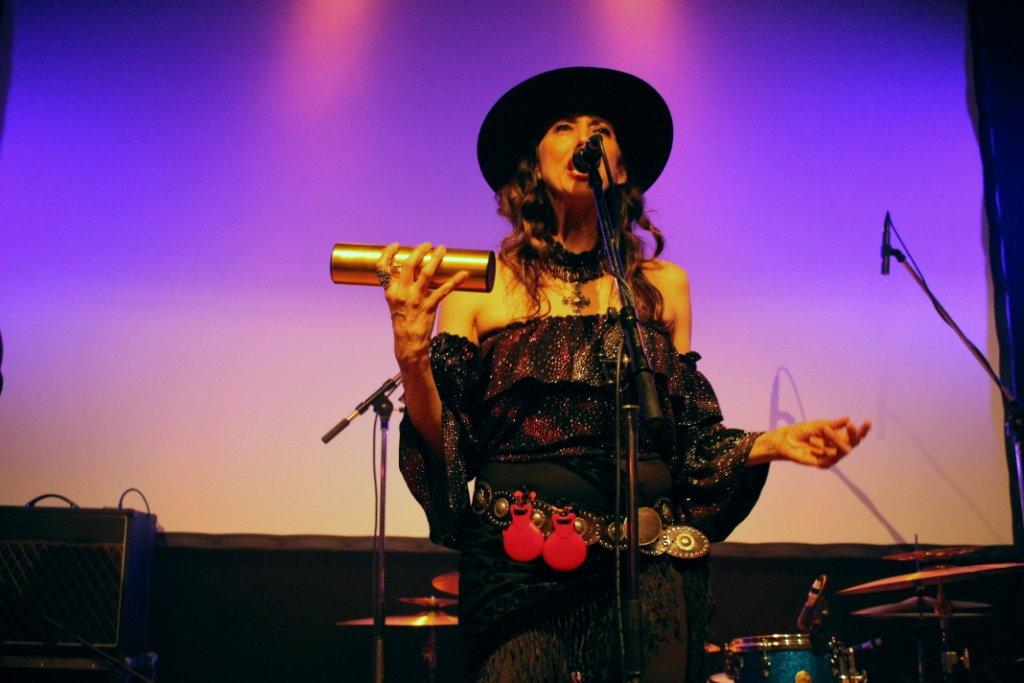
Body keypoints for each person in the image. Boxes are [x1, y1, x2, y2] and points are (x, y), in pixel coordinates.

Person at [379, 67, 870, 682]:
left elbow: (687, 436)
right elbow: (448, 438)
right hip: (521, 564)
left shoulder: (662, 287)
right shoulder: (482, 285)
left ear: (620, 166)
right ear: (534, 161)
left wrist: (771, 443)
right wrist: (411, 352)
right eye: (564, 127)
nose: (585, 139)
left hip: (647, 563)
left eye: (601, 130)